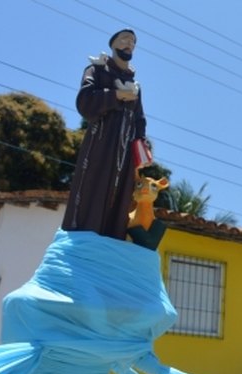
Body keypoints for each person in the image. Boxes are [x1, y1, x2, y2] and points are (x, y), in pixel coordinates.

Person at [62, 29, 148, 241]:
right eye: (124, 39)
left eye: (133, 42)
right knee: (92, 191)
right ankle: (81, 242)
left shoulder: (136, 86)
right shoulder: (97, 71)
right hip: (100, 146)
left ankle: (110, 243)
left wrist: (141, 149)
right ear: (113, 44)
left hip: (125, 155)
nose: (129, 44)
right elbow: (85, 101)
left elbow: (140, 119)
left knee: (120, 203)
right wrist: (116, 95)